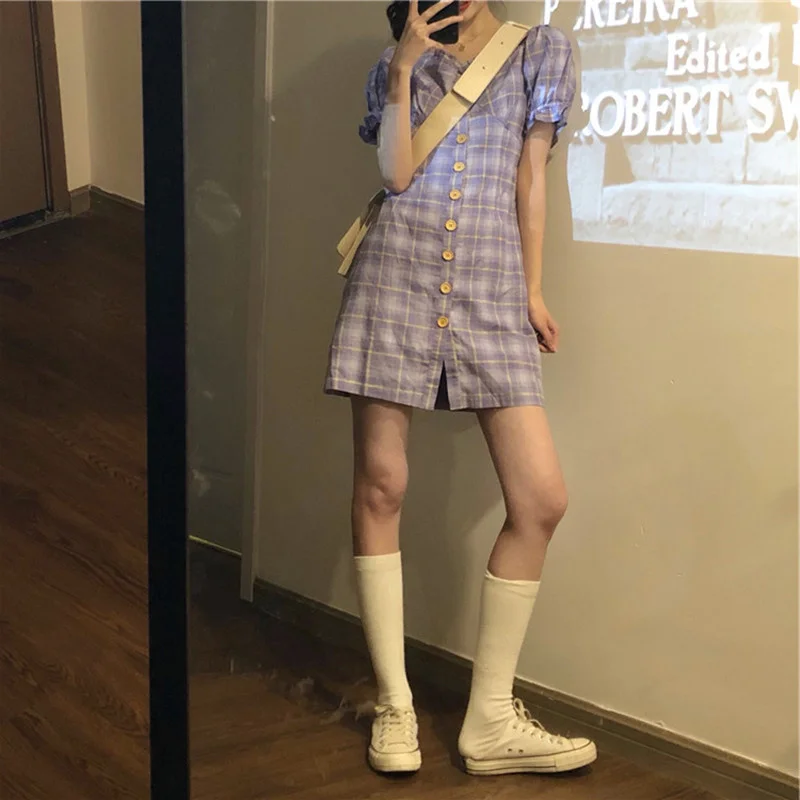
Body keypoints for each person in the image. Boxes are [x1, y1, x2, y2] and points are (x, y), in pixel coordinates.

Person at [325, 0, 597, 778]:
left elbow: (531, 177)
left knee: (540, 498)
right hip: (395, 280)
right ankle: (394, 706)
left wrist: (532, 290)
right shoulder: (393, 69)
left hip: (489, 288)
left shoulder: (539, 52)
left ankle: (490, 721)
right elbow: (395, 175)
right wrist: (404, 67)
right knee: (382, 484)